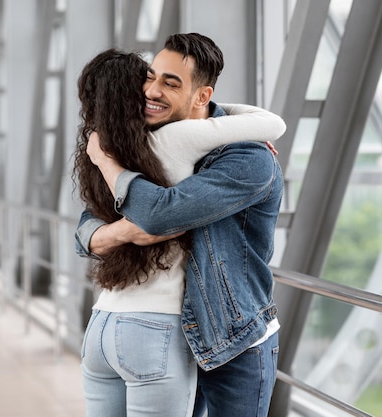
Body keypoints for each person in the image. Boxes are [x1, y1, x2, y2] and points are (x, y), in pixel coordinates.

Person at [73, 42, 285, 417]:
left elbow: (157, 213)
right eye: (150, 79)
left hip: (231, 338)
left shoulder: (247, 157)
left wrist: (104, 161)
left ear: (202, 95)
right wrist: (118, 233)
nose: (153, 91)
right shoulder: (143, 143)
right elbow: (88, 223)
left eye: (170, 83)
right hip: (172, 332)